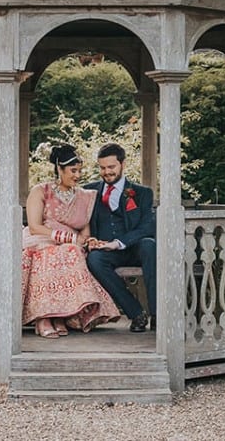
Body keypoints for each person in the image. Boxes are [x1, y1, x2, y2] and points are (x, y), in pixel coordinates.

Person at [20, 145, 123, 338]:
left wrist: (90, 241)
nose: (78, 175)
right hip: (40, 240)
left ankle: (61, 315)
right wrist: (69, 238)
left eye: (80, 171)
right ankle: (43, 317)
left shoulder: (84, 196)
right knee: (53, 253)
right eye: (73, 171)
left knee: (71, 251)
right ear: (59, 169)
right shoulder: (41, 191)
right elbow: (35, 227)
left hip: (71, 246)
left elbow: (85, 231)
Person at [85, 142, 157, 332]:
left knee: (150, 245)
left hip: (134, 248)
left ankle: (158, 314)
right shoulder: (88, 191)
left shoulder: (142, 193)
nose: (106, 172)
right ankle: (136, 314)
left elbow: (147, 227)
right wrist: (90, 239)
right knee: (94, 259)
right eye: (102, 168)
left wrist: (118, 243)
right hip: (106, 252)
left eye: (111, 167)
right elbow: (80, 222)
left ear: (122, 164)